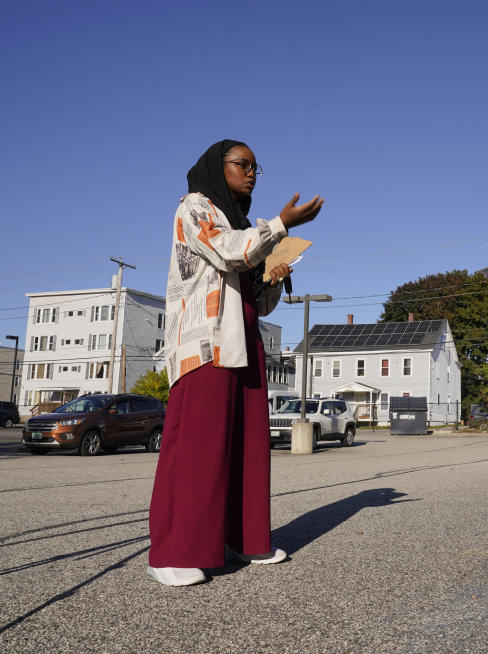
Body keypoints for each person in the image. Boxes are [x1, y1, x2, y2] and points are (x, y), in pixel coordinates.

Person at [147, 139, 323, 586]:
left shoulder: (239, 223)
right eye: (241, 164)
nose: (250, 173)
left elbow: (257, 304)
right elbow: (228, 250)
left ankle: (243, 540)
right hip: (205, 347)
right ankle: (172, 551)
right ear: (216, 166)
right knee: (196, 449)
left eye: (254, 168)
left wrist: (271, 278)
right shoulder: (194, 207)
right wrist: (280, 225)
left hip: (243, 343)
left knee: (246, 447)